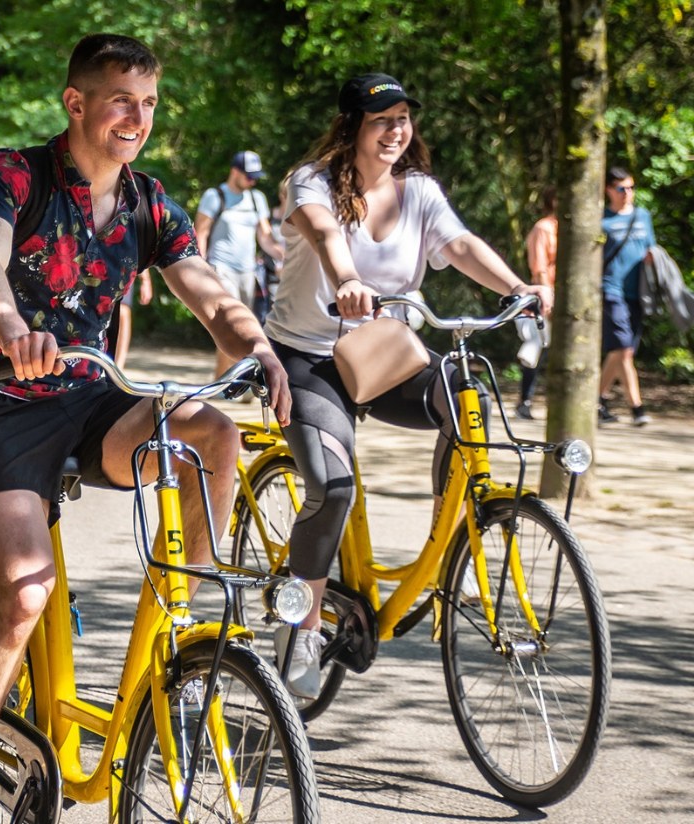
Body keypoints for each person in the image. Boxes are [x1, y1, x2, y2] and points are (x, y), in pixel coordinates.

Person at [0, 34, 290, 823]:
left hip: (95, 399)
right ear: (77, 102)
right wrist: (11, 328)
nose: (137, 117)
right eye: (122, 99)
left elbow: (207, 291)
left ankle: (190, 644)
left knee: (214, 434)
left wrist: (257, 346)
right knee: (25, 590)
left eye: (149, 102)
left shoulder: (149, 202)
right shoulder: (14, 173)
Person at [261, 73, 552, 701]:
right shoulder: (311, 181)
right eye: (381, 120)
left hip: (384, 355)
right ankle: (301, 626)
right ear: (351, 127)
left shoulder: (418, 191)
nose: (396, 130)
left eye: (403, 119)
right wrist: (346, 279)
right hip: (309, 359)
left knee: (464, 393)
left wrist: (517, 290)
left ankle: (459, 527)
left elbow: (461, 244)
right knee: (332, 486)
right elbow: (324, 233)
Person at [194, 150, 284, 377]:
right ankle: (226, 380)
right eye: (249, 176)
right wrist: (201, 269)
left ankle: (229, 378)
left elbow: (264, 236)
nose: (252, 181)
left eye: (255, 177)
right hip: (221, 268)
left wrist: (285, 256)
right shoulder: (215, 196)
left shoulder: (257, 199)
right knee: (232, 324)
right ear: (235, 172)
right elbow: (200, 234)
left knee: (246, 327)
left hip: (248, 271)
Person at [598, 166, 656, 426]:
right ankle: (637, 408)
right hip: (611, 290)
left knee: (622, 351)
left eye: (631, 188)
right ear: (609, 190)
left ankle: (596, 399)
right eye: (622, 188)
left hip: (639, 293)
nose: (628, 193)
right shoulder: (601, 220)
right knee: (623, 348)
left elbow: (650, 248)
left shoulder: (643, 216)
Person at [515, 186, 556, 420]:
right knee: (536, 347)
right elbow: (539, 266)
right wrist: (545, 297)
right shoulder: (544, 228)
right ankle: (525, 400)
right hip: (547, 294)